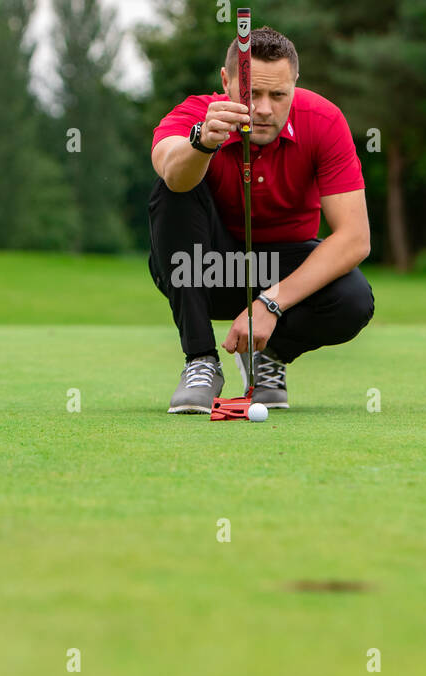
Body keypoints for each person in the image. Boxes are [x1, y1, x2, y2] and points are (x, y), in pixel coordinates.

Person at [148, 25, 375, 413]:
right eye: (252, 94)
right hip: (206, 271)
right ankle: (201, 360)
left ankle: (268, 357)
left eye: (278, 95)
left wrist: (270, 304)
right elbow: (171, 173)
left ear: (295, 84)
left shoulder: (323, 120)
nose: (265, 109)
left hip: (282, 270)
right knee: (174, 191)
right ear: (227, 82)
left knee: (353, 300)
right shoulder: (196, 114)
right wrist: (201, 142)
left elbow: (355, 239)